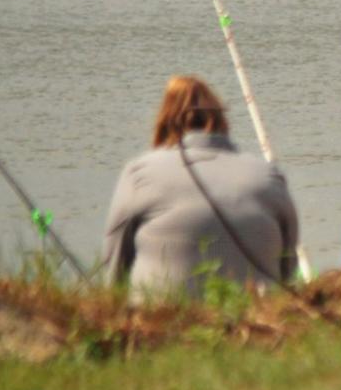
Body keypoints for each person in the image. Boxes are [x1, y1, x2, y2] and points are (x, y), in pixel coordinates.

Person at [102, 76, 299, 297]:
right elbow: (288, 267)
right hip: (257, 320)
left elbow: (114, 268)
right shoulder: (268, 175)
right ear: (221, 119)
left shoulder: (139, 173)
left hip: (163, 321)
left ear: (164, 120)